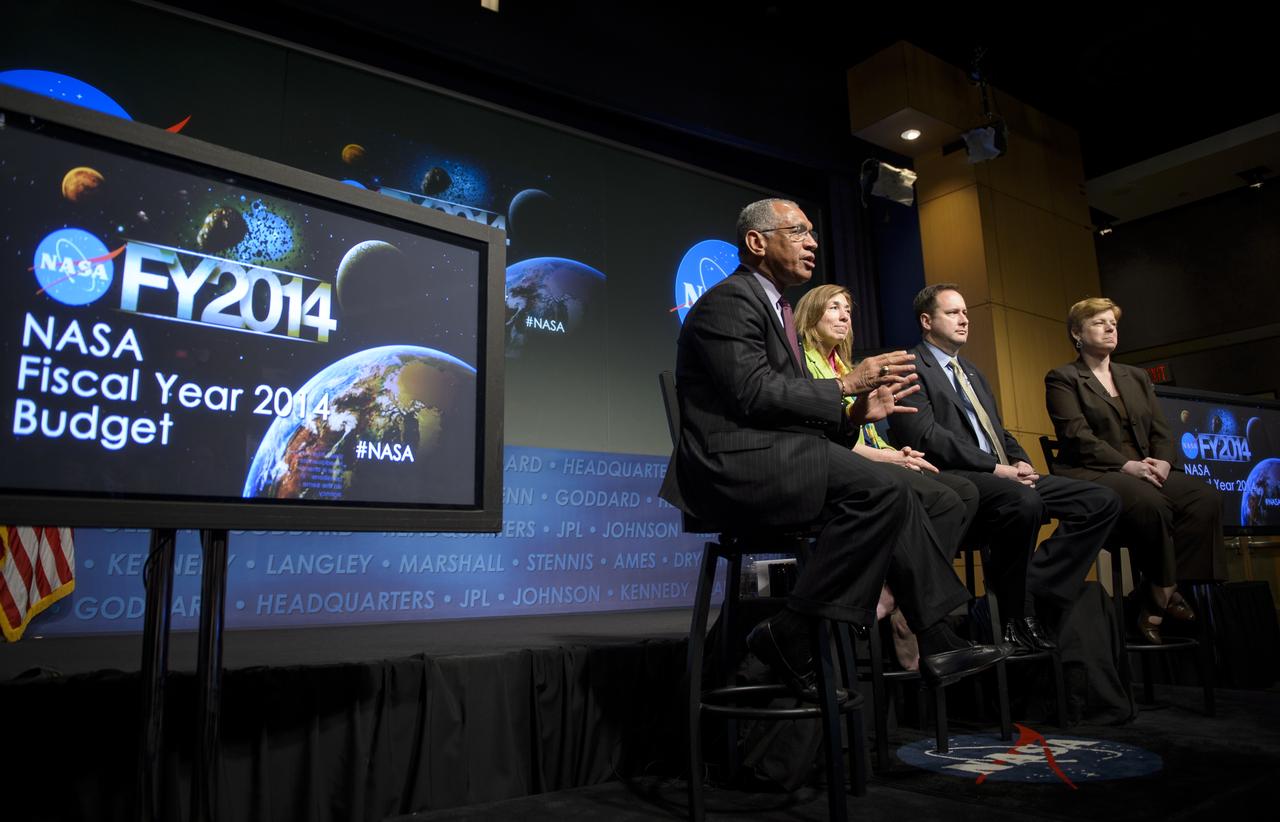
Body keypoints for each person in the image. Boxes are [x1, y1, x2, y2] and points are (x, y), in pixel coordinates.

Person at [660, 199, 1007, 695]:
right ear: (757, 242)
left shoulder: (773, 307)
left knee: (904, 489)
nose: (813, 242)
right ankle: (802, 631)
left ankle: (930, 635)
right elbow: (753, 393)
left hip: (778, 456)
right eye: (798, 231)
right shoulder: (729, 300)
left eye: (813, 233)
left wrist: (855, 416)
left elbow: (790, 408)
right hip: (732, 467)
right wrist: (846, 387)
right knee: (884, 490)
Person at [889, 283, 1121, 654]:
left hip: (1002, 474)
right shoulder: (911, 367)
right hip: (954, 479)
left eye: (966, 312)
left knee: (1101, 500)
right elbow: (926, 436)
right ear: (926, 320)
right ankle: (1016, 612)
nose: (964, 319)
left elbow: (997, 430)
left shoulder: (972, 372)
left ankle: (1032, 589)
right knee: (1023, 502)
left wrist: (1020, 460)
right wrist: (995, 468)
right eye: (953, 313)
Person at [794, 284, 981, 669]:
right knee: (940, 498)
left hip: (868, 463)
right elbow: (826, 439)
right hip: (833, 470)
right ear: (811, 316)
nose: (845, 315)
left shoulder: (846, 368)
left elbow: (869, 434)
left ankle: (897, 598)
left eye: (848, 309)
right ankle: (916, 611)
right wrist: (888, 459)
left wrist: (898, 453)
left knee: (962, 492)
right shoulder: (803, 363)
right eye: (834, 308)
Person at [1045, 297, 1223, 644]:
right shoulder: (1063, 378)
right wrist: (1126, 464)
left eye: (1113, 322)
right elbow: (1076, 437)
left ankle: (1157, 593)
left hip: (1145, 467)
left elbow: (1161, 430)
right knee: (1150, 504)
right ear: (1077, 333)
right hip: (1094, 469)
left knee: (1206, 499)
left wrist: (1163, 461)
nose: (1110, 328)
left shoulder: (1136, 376)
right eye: (1099, 322)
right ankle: (1161, 598)